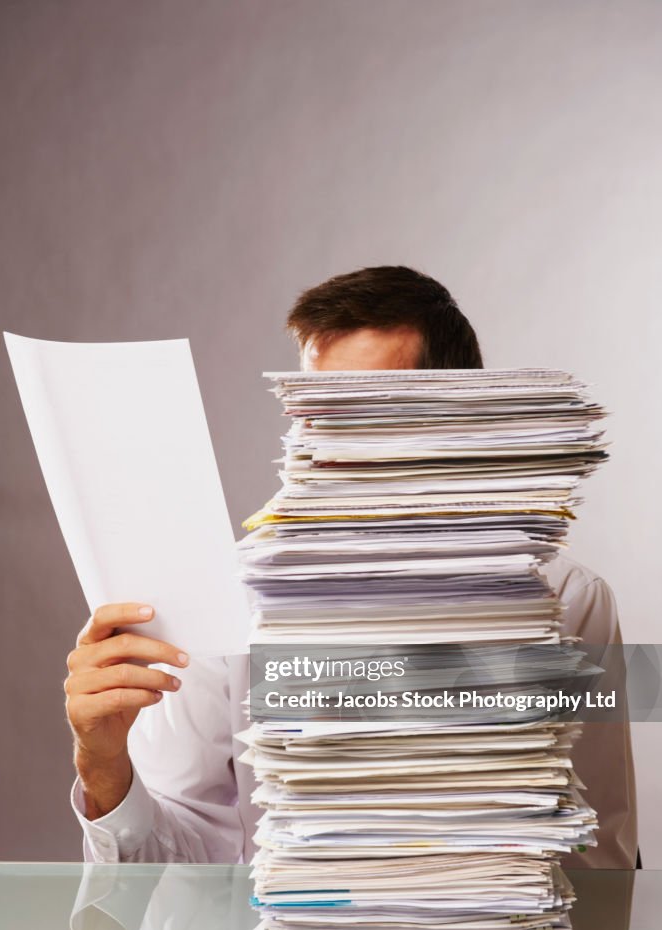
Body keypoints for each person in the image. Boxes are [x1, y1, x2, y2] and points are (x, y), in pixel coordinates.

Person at [64, 266, 637, 867]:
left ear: (455, 418)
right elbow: (175, 870)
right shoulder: (223, 599)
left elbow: (601, 855)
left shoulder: (570, 599)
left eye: (368, 407)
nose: (328, 441)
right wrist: (104, 770)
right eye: (313, 408)